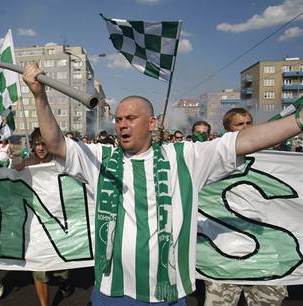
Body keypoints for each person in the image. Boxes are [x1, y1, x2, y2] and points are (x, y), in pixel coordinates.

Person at [22, 63, 303, 305]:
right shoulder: (100, 158)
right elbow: (56, 143)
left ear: (152, 122)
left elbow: (247, 141)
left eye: (131, 118)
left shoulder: (186, 157)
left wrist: (299, 121)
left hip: (167, 294)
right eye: (119, 119)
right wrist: (39, 96)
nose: (122, 125)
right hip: (110, 292)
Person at [204, 107, 288, 306]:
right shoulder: (214, 157)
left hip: (265, 255)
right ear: (228, 129)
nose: (246, 127)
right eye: (240, 124)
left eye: (249, 123)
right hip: (223, 254)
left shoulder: (270, 156)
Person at [15, 128, 74, 306]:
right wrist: (15, 173)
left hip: (59, 224)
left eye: (44, 143)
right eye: (37, 144)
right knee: (39, 269)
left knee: (61, 270)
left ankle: (64, 282)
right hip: (36, 226)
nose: (40, 148)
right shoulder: (26, 164)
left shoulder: (62, 163)